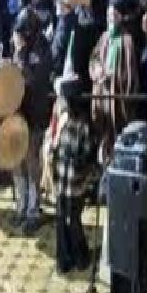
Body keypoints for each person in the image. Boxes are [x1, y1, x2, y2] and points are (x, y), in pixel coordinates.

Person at [12, 8, 54, 234]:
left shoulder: (42, 47)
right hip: (18, 113)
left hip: (35, 113)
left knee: (32, 163)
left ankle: (33, 210)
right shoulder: (21, 46)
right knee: (17, 162)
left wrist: (20, 55)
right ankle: (21, 205)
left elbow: (34, 79)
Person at [52, 76, 97, 273]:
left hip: (75, 185)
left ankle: (81, 258)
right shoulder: (64, 120)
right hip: (61, 182)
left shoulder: (84, 126)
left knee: (74, 221)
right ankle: (65, 259)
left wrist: (80, 169)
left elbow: (88, 158)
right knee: (61, 220)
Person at [89, 0, 141, 154]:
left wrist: (113, 78)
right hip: (102, 92)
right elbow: (94, 57)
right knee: (102, 129)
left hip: (117, 95)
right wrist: (97, 69)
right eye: (108, 15)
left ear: (120, 17)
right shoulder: (104, 37)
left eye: (114, 15)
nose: (111, 18)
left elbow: (130, 71)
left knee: (117, 131)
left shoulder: (127, 40)